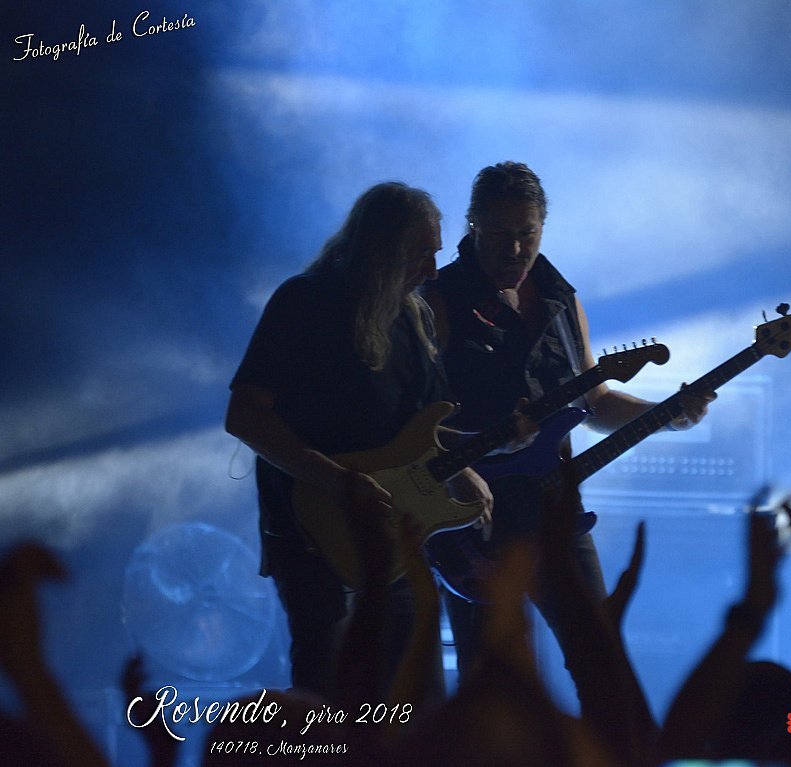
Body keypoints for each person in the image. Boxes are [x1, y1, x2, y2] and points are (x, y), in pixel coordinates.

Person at [421, 161, 713, 674]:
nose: (515, 249)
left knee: (602, 661)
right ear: (473, 225)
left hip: (554, 506)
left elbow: (595, 401)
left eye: (527, 233)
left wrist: (668, 416)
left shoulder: (559, 298)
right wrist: (479, 444)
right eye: (500, 234)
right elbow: (410, 423)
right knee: (490, 682)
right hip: (472, 519)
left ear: (544, 226)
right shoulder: (438, 300)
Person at [225, 182, 494, 703]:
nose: (432, 272)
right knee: (328, 701)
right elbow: (245, 416)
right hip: (312, 535)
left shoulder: (413, 318)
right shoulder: (303, 301)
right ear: (380, 248)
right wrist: (339, 481)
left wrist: (471, 464)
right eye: (420, 254)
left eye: (435, 255)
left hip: (397, 540)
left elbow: (425, 431)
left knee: (416, 704)